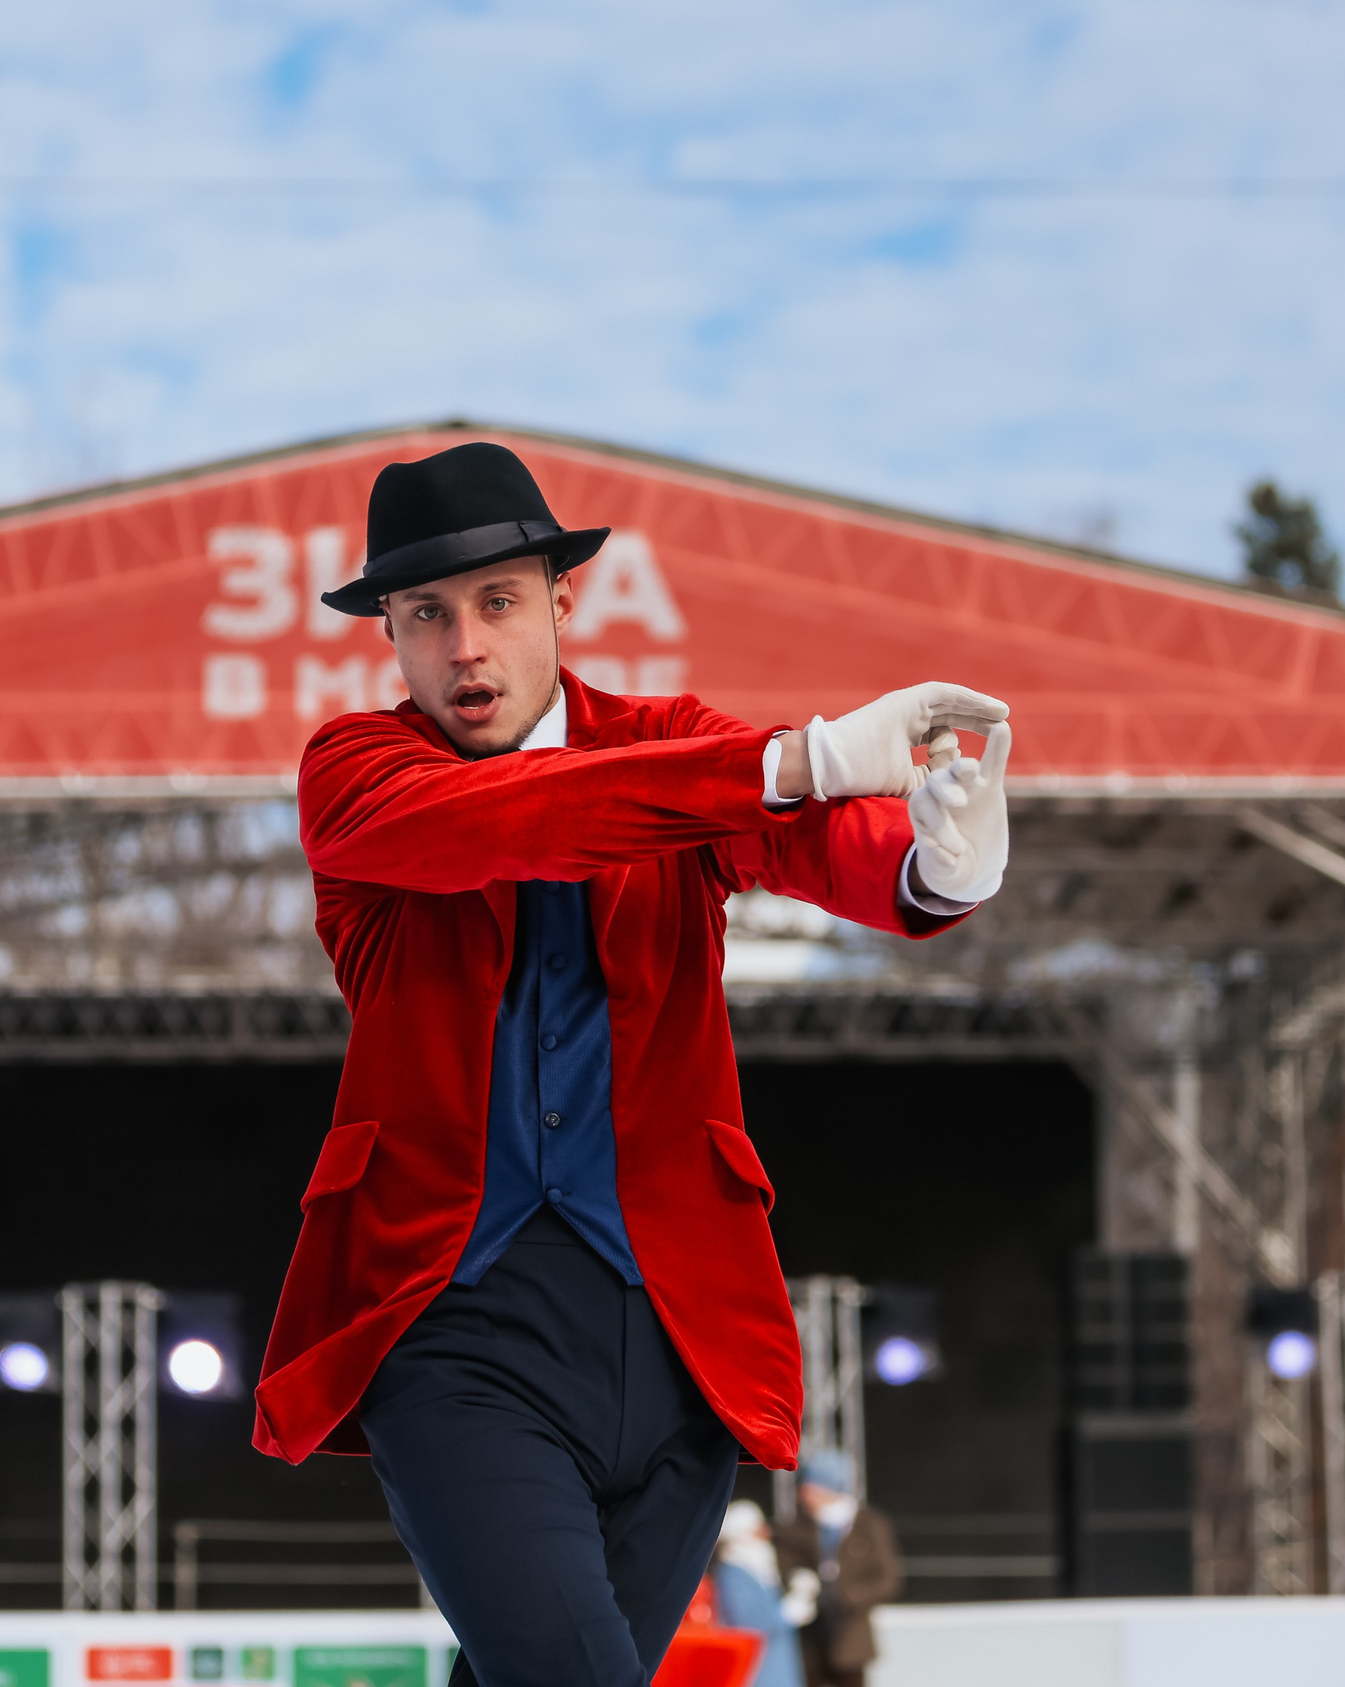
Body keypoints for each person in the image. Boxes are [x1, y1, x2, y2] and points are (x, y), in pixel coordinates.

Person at [253, 441, 1010, 1687]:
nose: (464, 647)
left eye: (496, 602)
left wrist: (937, 866)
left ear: (562, 600)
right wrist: (790, 761)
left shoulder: (671, 745)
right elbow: (528, 819)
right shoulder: (358, 777)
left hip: (676, 1335)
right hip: (450, 1325)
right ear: (387, 635)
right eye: (425, 616)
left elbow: (825, 847)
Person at [774, 1449, 902, 1687]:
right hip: (810, 1635)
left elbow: (887, 1579)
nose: (804, 1495)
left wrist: (849, 1597)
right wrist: (799, 1583)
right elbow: (784, 1565)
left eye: (812, 1487)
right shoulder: (795, 1528)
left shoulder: (869, 1525)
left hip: (850, 1634)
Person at [710, 1500, 814, 1687]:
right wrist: (785, 1614)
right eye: (758, 1531)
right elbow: (745, 1624)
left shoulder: (758, 1569)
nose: (766, 1535)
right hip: (758, 1673)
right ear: (741, 1535)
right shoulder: (732, 1574)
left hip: (777, 1667)